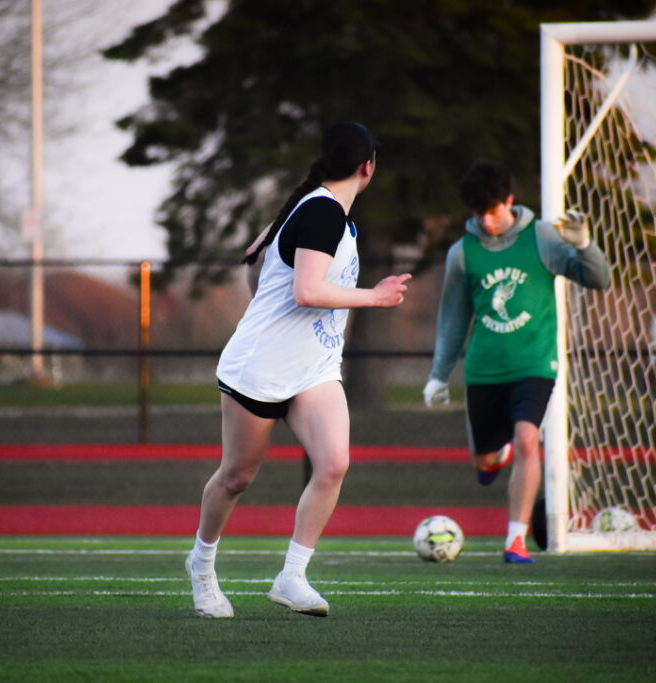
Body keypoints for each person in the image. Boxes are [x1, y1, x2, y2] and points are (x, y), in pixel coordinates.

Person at [185, 122, 411, 618]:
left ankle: (292, 576)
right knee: (238, 476)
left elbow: (257, 265)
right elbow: (305, 291)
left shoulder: (324, 214)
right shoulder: (321, 214)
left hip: (313, 370)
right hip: (259, 370)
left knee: (333, 464)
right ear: (367, 166)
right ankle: (201, 567)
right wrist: (374, 296)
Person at [423, 160, 610, 563]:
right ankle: (495, 454)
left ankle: (515, 540)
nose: (488, 221)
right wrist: (439, 375)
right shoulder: (462, 254)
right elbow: (453, 319)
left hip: (535, 366)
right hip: (484, 371)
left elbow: (599, 279)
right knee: (485, 463)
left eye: (493, 211)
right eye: (479, 214)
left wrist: (583, 246)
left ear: (509, 200)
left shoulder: (542, 237)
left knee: (529, 439)